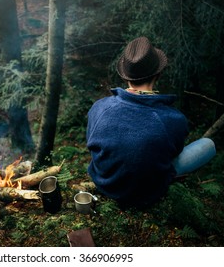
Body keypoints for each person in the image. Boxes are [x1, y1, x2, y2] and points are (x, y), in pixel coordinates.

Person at [86, 36, 216, 210]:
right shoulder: (174, 119)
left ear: (125, 76)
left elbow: (92, 145)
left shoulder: (99, 107)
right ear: (158, 74)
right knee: (208, 144)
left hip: (105, 185)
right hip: (148, 194)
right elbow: (173, 154)